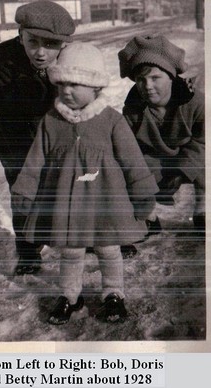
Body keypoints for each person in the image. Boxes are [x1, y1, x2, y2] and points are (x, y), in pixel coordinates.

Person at [11, 42, 158, 324]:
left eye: (76, 84)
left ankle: (114, 294)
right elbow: (35, 161)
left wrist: (143, 195)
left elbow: (132, 161)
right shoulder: (50, 122)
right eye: (62, 83)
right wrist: (24, 191)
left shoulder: (112, 121)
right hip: (68, 204)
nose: (67, 90)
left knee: (108, 249)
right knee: (71, 250)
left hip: (105, 202)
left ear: (96, 88)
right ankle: (70, 296)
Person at [0, 0, 76, 275]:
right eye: (32, 42)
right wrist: (46, 74)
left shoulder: (71, 58)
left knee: (67, 186)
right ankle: (28, 250)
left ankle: (80, 236)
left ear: (63, 44)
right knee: (23, 192)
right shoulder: (6, 56)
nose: (40, 52)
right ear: (20, 36)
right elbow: (14, 104)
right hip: (13, 134)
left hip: (55, 133)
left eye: (50, 45)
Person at [118, 34, 205, 235]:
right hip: (156, 160)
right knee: (127, 170)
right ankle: (148, 216)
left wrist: (182, 171)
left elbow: (203, 141)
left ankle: (203, 209)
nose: (147, 86)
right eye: (141, 79)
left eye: (155, 78)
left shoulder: (195, 103)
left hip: (191, 156)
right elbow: (132, 151)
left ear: (172, 77)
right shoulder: (133, 110)